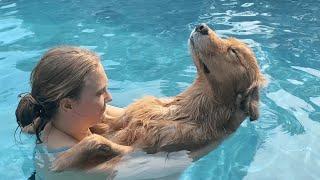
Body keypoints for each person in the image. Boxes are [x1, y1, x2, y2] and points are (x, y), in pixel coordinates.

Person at [15, 46, 122, 179]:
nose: (109, 97)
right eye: (100, 92)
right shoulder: (74, 166)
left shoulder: (54, 117)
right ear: (67, 105)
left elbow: (135, 115)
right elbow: (146, 163)